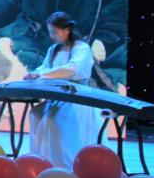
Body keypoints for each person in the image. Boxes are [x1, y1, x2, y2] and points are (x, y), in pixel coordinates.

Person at [26, 11, 102, 168]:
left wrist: (43, 75)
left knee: (52, 118)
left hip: (77, 97)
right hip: (58, 97)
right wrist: (34, 73)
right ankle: (39, 160)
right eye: (50, 32)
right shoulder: (53, 49)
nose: (52, 36)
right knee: (34, 114)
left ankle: (61, 165)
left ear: (67, 30)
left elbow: (72, 69)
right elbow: (44, 68)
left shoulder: (82, 48)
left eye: (54, 32)